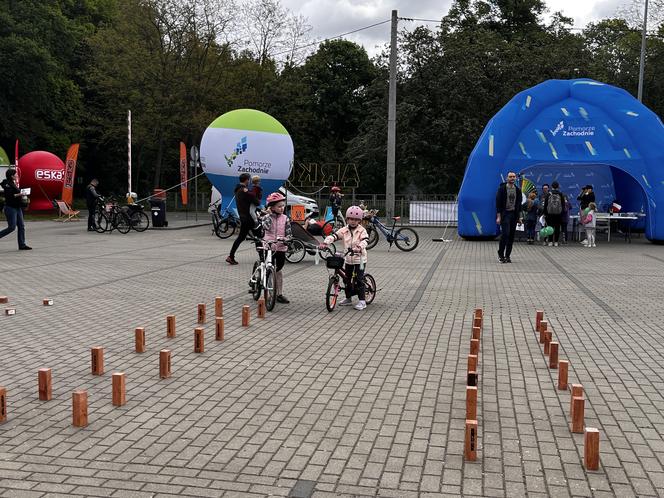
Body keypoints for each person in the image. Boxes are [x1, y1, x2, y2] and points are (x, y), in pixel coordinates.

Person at [320, 206, 369, 310]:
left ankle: (362, 301)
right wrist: (325, 243)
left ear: (359, 220)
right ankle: (348, 298)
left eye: (356, 220)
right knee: (347, 279)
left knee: (359, 279)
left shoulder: (362, 230)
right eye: (351, 219)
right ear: (347, 219)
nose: (353, 221)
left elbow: (365, 240)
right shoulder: (344, 230)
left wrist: (359, 247)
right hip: (348, 259)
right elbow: (334, 236)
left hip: (359, 259)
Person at [259, 192, 292, 303]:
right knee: (270, 269)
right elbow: (266, 227)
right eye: (279, 206)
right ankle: (269, 293)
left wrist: (288, 239)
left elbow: (288, 232)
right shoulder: (266, 217)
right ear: (272, 207)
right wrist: (268, 215)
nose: (282, 208)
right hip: (269, 246)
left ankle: (279, 294)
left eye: (283, 206)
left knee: (278, 270)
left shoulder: (285, 218)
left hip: (281, 247)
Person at [227, 173, 260, 265]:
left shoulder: (238, 190)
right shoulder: (244, 191)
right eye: (249, 179)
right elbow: (256, 201)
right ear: (247, 180)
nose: (249, 181)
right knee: (258, 237)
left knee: (241, 237)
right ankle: (262, 257)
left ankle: (231, 256)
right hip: (248, 218)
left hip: (243, 217)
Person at [0, 169, 31, 250]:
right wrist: (20, 194)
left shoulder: (13, 183)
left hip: (17, 207)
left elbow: (16, 193)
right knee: (12, 227)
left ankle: (22, 245)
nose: (17, 175)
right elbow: (10, 196)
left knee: (21, 226)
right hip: (10, 208)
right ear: (12, 176)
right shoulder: (6, 184)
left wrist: (23, 193)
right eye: (16, 174)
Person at [495, 172, 522, 263]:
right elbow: (498, 203)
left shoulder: (518, 190)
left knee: (511, 236)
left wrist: (519, 217)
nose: (512, 178)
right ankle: (500, 254)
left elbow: (519, 205)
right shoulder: (502, 189)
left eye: (514, 177)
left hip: (514, 215)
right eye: (510, 177)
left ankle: (507, 256)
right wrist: (498, 217)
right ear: (507, 178)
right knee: (505, 234)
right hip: (505, 214)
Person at [543, 181, 566, 247]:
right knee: (557, 228)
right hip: (558, 214)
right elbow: (563, 205)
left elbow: (545, 205)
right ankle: (556, 242)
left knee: (550, 227)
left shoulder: (548, 194)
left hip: (549, 214)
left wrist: (545, 213)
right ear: (558, 187)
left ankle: (550, 241)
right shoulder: (561, 194)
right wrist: (562, 213)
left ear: (551, 186)